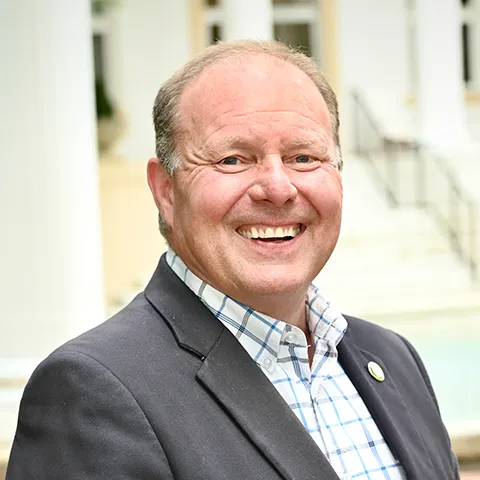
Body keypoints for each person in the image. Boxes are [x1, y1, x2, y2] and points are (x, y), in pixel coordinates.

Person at [7, 40, 459, 480]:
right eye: (233, 159)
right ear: (166, 191)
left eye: (303, 157)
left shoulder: (393, 358)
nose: (278, 188)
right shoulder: (92, 390)